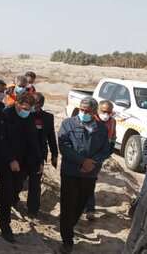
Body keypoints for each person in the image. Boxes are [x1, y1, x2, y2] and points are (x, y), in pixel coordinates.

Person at [57, 97, 113, 253]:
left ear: (94, 112)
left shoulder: (101, 128)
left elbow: (105, 150)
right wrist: (82, 161)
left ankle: (69, 226)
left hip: (89, 174)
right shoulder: (68, 124)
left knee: (80, 205)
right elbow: (64, 146)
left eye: (87, 111)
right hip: (70, 172)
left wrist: (92, 162)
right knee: (67, 205)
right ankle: (67, 240)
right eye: (82, 110)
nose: (84, 113)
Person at [0, 93, 40, 243]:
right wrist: (11, 160)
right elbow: (0, 140)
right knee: (7, 192)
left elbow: (32, 139)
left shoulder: (28, 117)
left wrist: (38, 160)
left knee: (15, 192)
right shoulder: (4, 115)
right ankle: (5, 227)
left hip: (23, 162)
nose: (26, 111)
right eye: (24, 108)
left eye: (29, 109)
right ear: (16, 104)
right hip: (5, 161)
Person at [85, 100, 117, 220]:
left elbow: (113, 137)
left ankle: (90, 209)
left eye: (109, 112)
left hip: (99, 157)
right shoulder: (90, 120)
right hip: (86, 155)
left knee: (90, 181)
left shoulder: (112, 122)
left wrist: (109, 151)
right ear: (98, 110)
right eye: (104, 111)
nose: (106, 114)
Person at [27, 93, 58, 216]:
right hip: (23, 154)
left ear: (42, 104)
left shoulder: (48, 117)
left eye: (38, 103)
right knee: (17, 183)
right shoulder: (25, 114)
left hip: (39, 155)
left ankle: (33, 210)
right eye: (33, 103)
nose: (35, 106)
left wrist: (54, 154)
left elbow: (51, 137)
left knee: (35, 184)